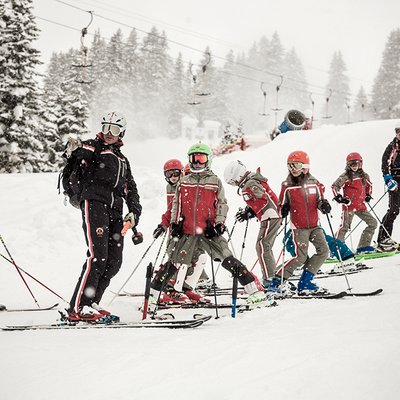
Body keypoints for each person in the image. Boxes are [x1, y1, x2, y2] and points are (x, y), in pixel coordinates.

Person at [149, 143, 271, 309]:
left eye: (201, 158)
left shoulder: (214, 181)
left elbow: (222, 204)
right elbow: (176, 205)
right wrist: (175, 224)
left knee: (228, 259)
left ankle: (255, 293)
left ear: (208, 160)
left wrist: (219, 223)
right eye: (194, 158)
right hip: (187, 231)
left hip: (208, 231)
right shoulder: (183, 182)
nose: (197, 162)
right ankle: (152, 297)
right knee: (174, 263)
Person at [65, 112, 142, 322]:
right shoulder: (93, 147)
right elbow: (77, 156)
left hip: (116, 211)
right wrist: (73, 151)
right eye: (106, 128)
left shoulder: (123, 160)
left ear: (121, 133)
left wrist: (134, 212)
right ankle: (79, 307)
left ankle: (92, 302)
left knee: (113, 261)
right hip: (95, 203)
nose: (109, 133)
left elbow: (131, 189)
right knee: (98, 256)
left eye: (114, 130)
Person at [267, 150, 330, 295]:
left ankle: (305, 282)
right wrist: (284, 208)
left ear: (305, 166)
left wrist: (324, 205)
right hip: (299, 228)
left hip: (315, 226)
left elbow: (320, 201)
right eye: (289, 166)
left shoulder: (315, 184)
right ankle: (277, 280)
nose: (292, 169)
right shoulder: (287, 185)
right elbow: (280, 204)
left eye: (295, 165)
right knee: (300, 257)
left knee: (324, 251)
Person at [152, 159, 209, 304]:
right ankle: (169, 289)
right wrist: (164, 224)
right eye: (169, 174)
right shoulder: (170, 188)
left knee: (199, 257)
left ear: (182, 172)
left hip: (191, 230)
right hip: (177, 231)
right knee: (177, 260)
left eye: (176, 173)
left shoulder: (186, 184)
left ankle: (185, 287)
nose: (172, 177)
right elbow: (171, 210)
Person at [223, 160, 281, 288]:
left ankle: (270, 278)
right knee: (264, 245)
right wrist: (249, 210)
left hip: (270, 215)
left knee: (262, 246)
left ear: (236, 177)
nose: (235, 185)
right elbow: (260, 198)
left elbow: (262, 199)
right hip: (272, 215)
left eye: (233, 182)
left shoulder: (249, 184)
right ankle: (272, 275)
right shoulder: (253, 180)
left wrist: (250, 212)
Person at [332, 152, 377, 254]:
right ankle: (337, 249)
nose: (355, 167)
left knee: (373, 223)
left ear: (361, 164)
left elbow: (369, 186)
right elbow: (335, 186)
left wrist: (368, 195)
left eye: (357, 164)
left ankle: (363, 246)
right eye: (352, 164)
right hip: (349, 206)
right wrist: (340, 198)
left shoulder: (364, 176)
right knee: (344, 227)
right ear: (348, 165)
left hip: (361, 206)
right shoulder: (346, 176)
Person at [377, 122, 400, 252]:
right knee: (394, 210)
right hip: (395, 182)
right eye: (398, 132)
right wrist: (388, 179)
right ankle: (383, 238)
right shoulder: (392, 147)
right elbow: (385, 164)